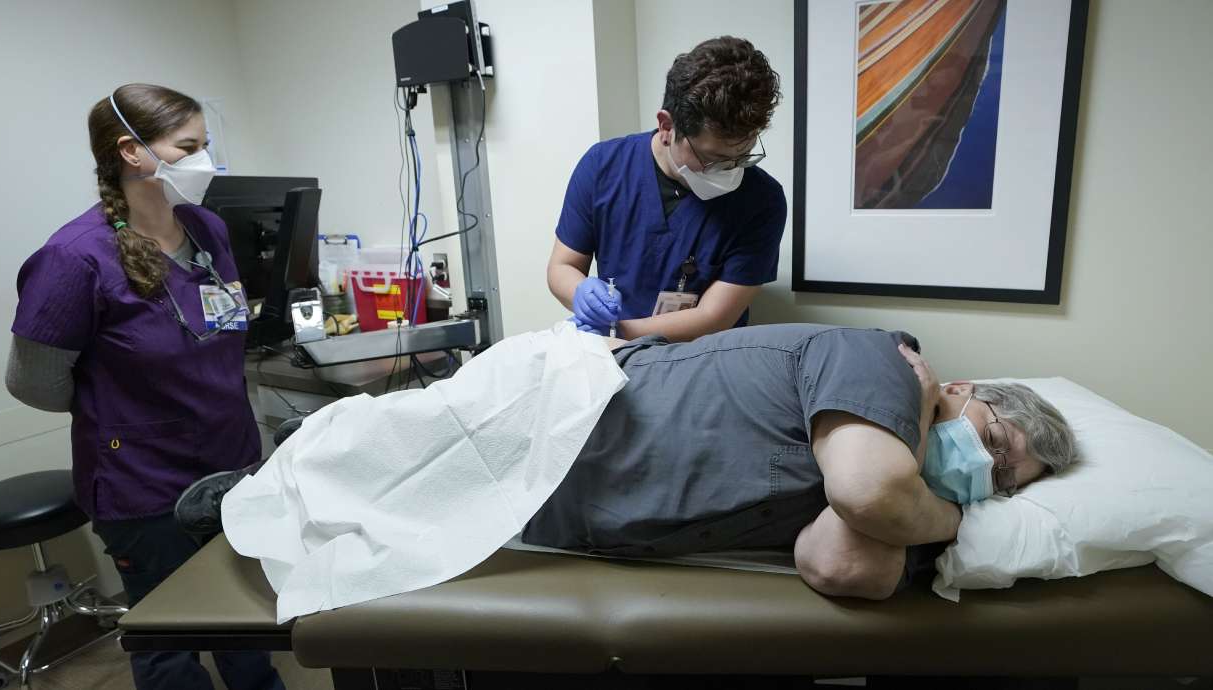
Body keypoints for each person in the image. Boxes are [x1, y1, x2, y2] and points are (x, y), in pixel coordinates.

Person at [175, 323, 1077, 601]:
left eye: (1004, 479)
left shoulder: (904, 474)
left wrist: (916, 483)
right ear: (957, 388)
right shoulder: (878, 361)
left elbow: (841, 559)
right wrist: (945, 508)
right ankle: (259, 481)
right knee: (398, 438)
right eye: (995, 440)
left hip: (573, 512)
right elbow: (867, 489)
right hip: (561, 410)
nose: (985, 470)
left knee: (403, 516)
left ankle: (269, 491)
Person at [6, 83, 284, 690]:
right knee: (171, 641)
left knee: (248, 621)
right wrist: (127, 411)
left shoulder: (206, 229)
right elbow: (34, 383)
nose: (206, 161)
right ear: (133, 153)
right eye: (189, 147)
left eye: (206, 145)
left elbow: (222, 326)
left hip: (230, 461)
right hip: (144, 481)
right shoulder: (74, 258)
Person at [547, 36, 788, 343]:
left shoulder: (762, 201)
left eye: (743, 155)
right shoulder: (603, 167)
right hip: (613, 356)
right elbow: (562, 266)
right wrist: (581, 293)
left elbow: (714, 317)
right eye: (713, 158)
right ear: (666, 127)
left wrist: (618, 332)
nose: (730, 170)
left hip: (703, 361)